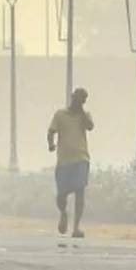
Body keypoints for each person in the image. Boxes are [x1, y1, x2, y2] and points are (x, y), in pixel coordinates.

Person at [47, 87, 94, 238]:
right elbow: (51, 131)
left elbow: (90, 127)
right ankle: (63, 213)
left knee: (80, 191)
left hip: (81, 159)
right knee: (61, 195)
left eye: (82, 100)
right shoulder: (60, 115)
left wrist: (82, 113)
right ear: (72, 97)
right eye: (77, 99)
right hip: (64, 161)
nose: (79, 102)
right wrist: (51, 144)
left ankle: (76, 228)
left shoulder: (84, 116)